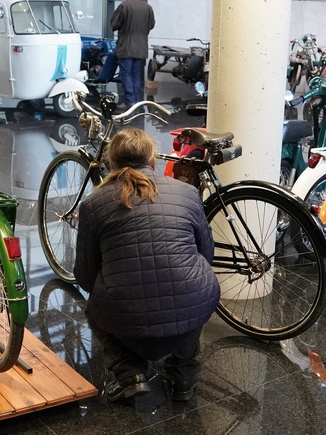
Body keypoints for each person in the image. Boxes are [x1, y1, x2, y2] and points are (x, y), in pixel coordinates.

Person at [74, 128, 220, 403]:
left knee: (95, 308)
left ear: (111, 164)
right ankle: (184, 376)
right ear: (154, 161)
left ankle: (129, 373)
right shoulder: (188, 192)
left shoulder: (93, 204)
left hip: (124, 313)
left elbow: (84, 275)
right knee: (194, 290)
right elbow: (206, 255)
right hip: (191, 303)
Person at [109, 0, 155, 107]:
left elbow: (114, 24)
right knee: (136, 74)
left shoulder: (124, 6)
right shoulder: (148, 8)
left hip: (126, 48)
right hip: (141, 48)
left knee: (126, 74)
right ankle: (136, 100)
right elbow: (151, 25)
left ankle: (129, 101)